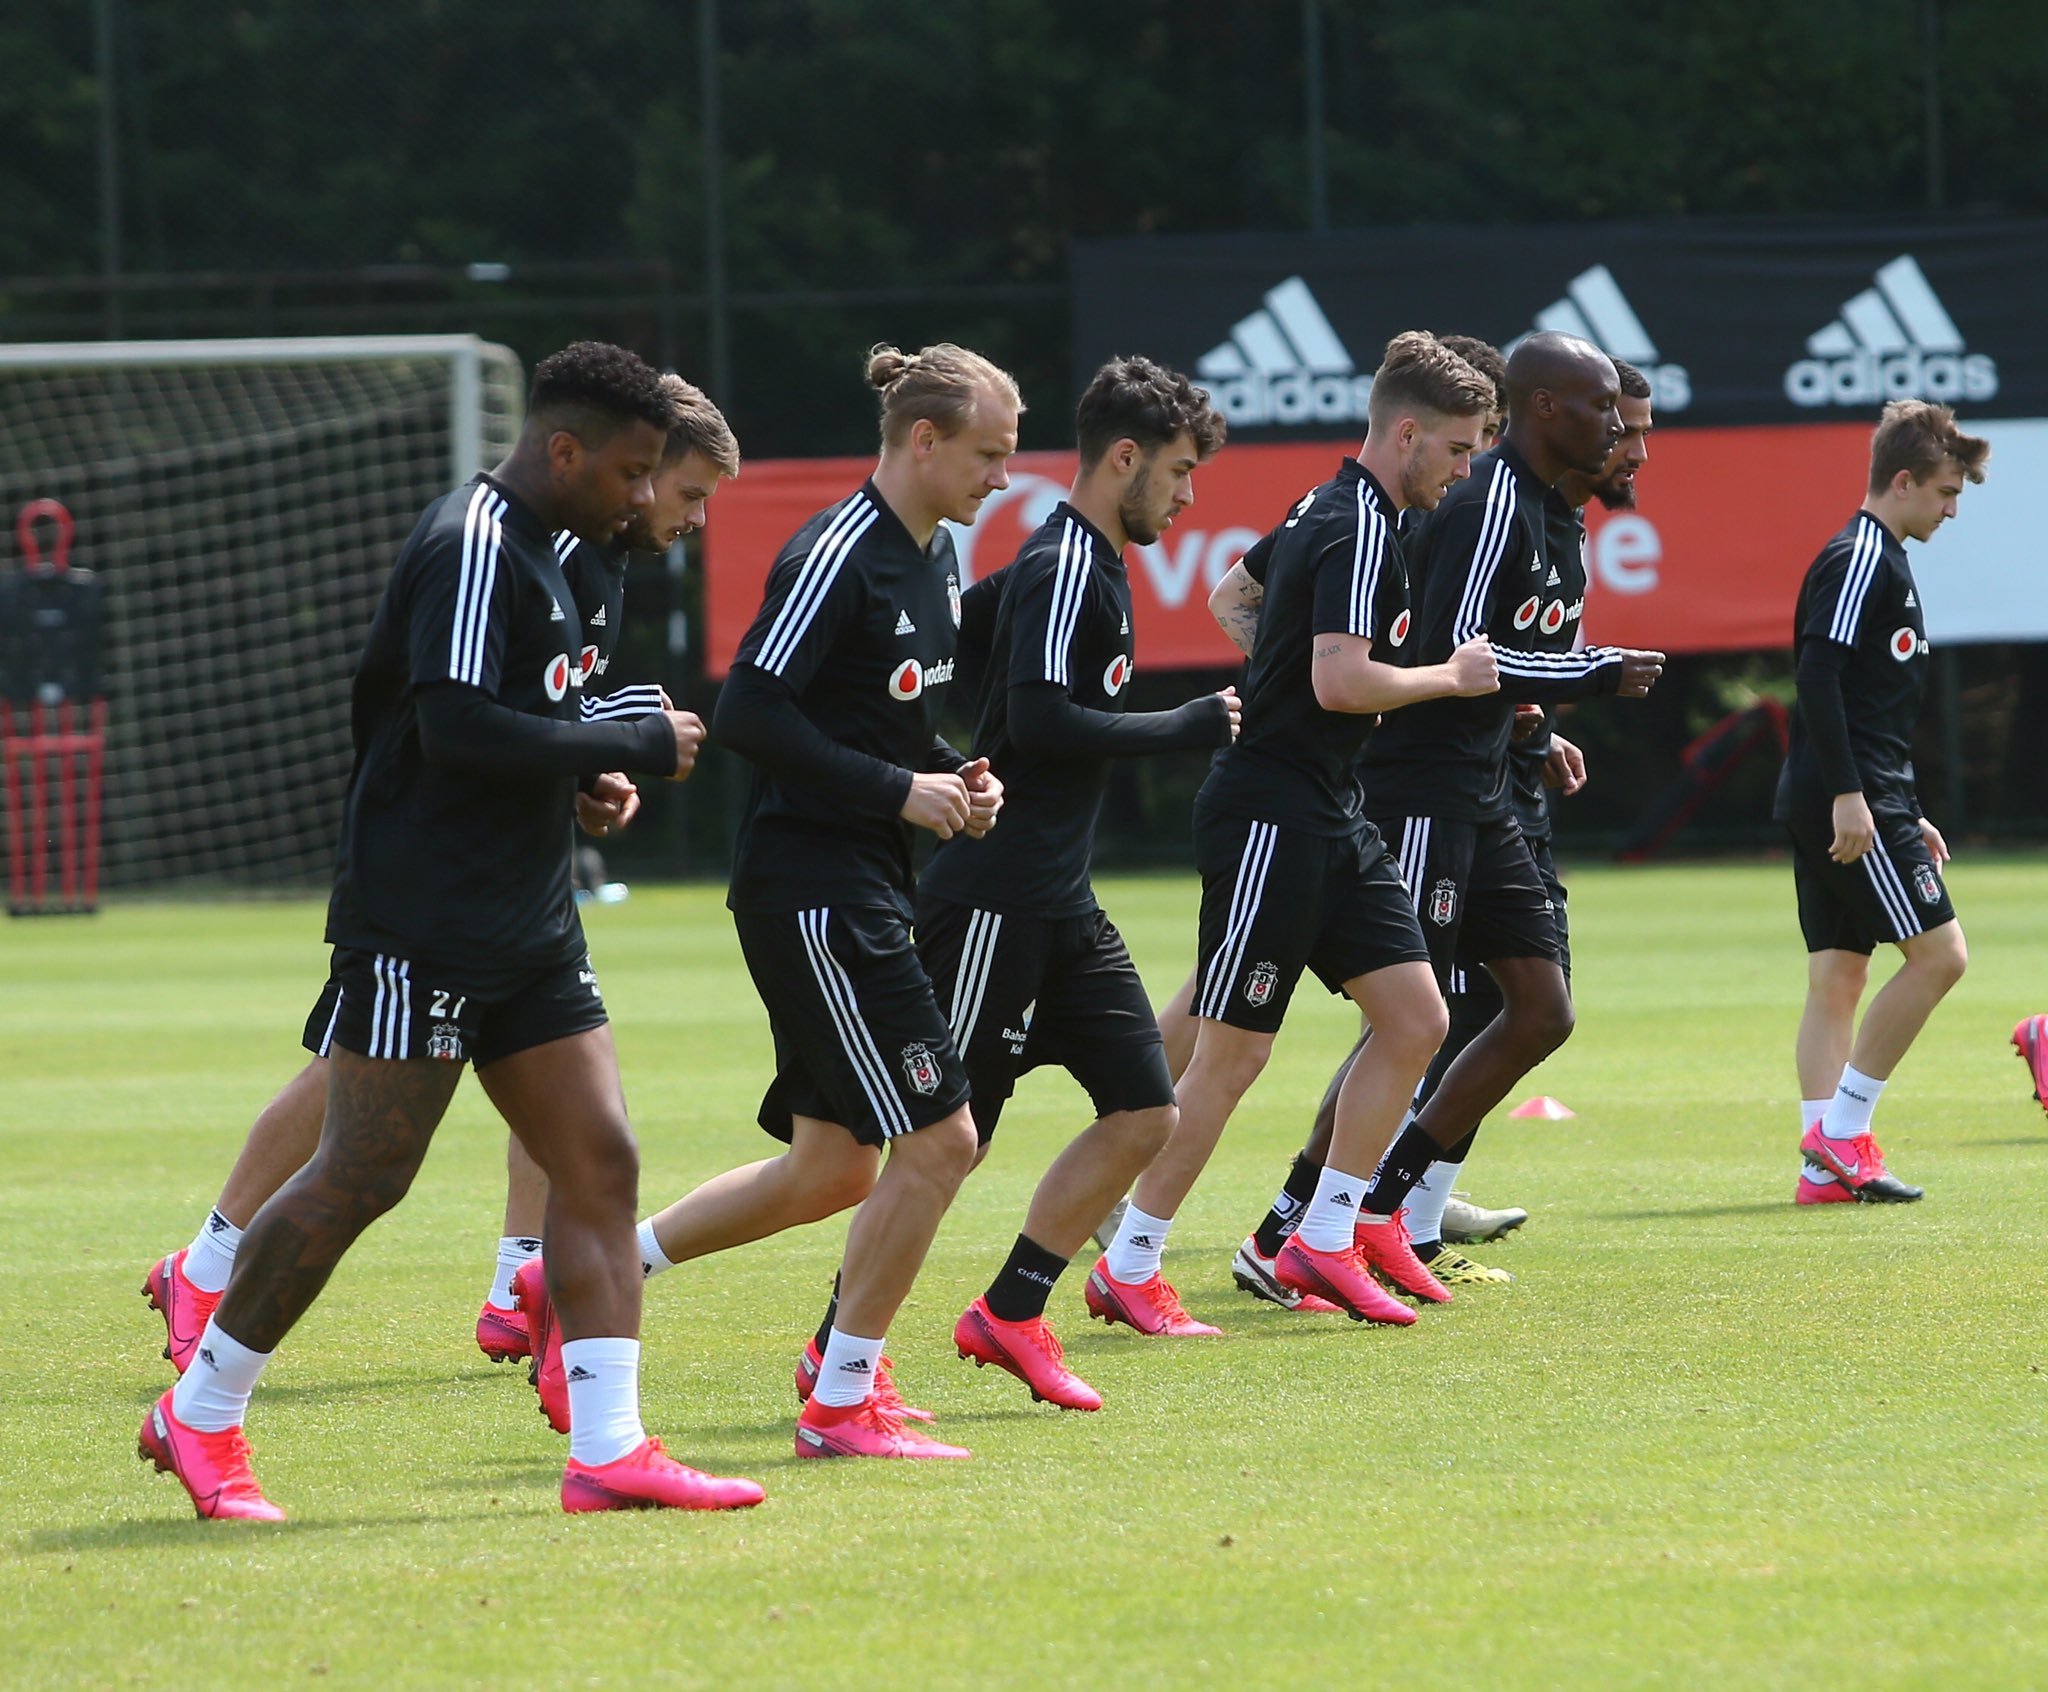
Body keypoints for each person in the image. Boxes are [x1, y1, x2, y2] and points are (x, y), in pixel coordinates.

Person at [137, 342, 762, 1519]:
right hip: (423, 920)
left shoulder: (567, 554)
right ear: (564, 451)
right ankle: (200, 1411)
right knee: (362, 1176)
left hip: (529, 923)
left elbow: (527, 723)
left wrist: (582, 778)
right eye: (634, 472)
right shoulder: (474, 542)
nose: (645, 497)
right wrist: (624, 743)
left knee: (600, 1161)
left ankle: (609, 1448)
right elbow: (456, 730)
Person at [526, 342, 1018, 1462]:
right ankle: (840, 1401)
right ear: (924, 440)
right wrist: (901, 790)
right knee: (943, 1140)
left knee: (834, 1168)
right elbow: (749, 709)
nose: (1002, 476)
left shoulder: (936, 555)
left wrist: (953, 776)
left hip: (862, 882)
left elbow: (877, 727)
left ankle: (593, 1272)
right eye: (988, 453)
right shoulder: (838, 550)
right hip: (817, 893)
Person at [1088, 331, 1498, 1332]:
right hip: (1270, 813)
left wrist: (1280, 683)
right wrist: (1449, 678)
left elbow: (1234, 597)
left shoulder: (1332, 505)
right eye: (1457, 448)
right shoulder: (1356, 527)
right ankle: (1130, 1262)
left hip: (1327, 806)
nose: (1466, 468)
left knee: (1417, 1017)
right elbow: (1341, 680)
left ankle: (1322, 1238)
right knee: (1230, 1055)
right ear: (1406, 434)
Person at [913, 357, 1236, 1410]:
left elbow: (966, 650)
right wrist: (1184, 724)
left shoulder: (1078, 562)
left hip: (1058, 901)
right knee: (940, 1146)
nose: (1187, 498)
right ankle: (837, 1351)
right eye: (1179, 472)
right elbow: (1039, 719)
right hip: (994, 901)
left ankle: (1010, 1311)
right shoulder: (1065, 564)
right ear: (1124, 458)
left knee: (1145, 1111)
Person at [1329, 332, 1665, 1279]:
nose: (1627, 439)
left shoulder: (1557, 517)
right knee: (1406, 1020)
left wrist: (1534, 726)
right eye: (1610, 414)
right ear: (1547, 408)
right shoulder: (1489, 503)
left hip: (1485, 789)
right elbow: (1456, 653)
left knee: (1535, 1010)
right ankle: (1300, 1230)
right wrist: (1591, 674)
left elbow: (1499, 670)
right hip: (1423, 787)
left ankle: (1389, 1209)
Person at [1775, 399, 1986, 1203]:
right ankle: (1842, 1130)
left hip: (1853, 793)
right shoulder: (1861, 556)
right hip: (1848, 798)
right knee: (1941, 956)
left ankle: (1820, 1171)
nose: (1952, 510)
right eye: (1944, 492)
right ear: (1902, 481)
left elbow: (1868, 705)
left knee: (1837, 976)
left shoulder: (1881, 557)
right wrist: (1851, 795)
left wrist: (1903, 804)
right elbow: (1818, 675)